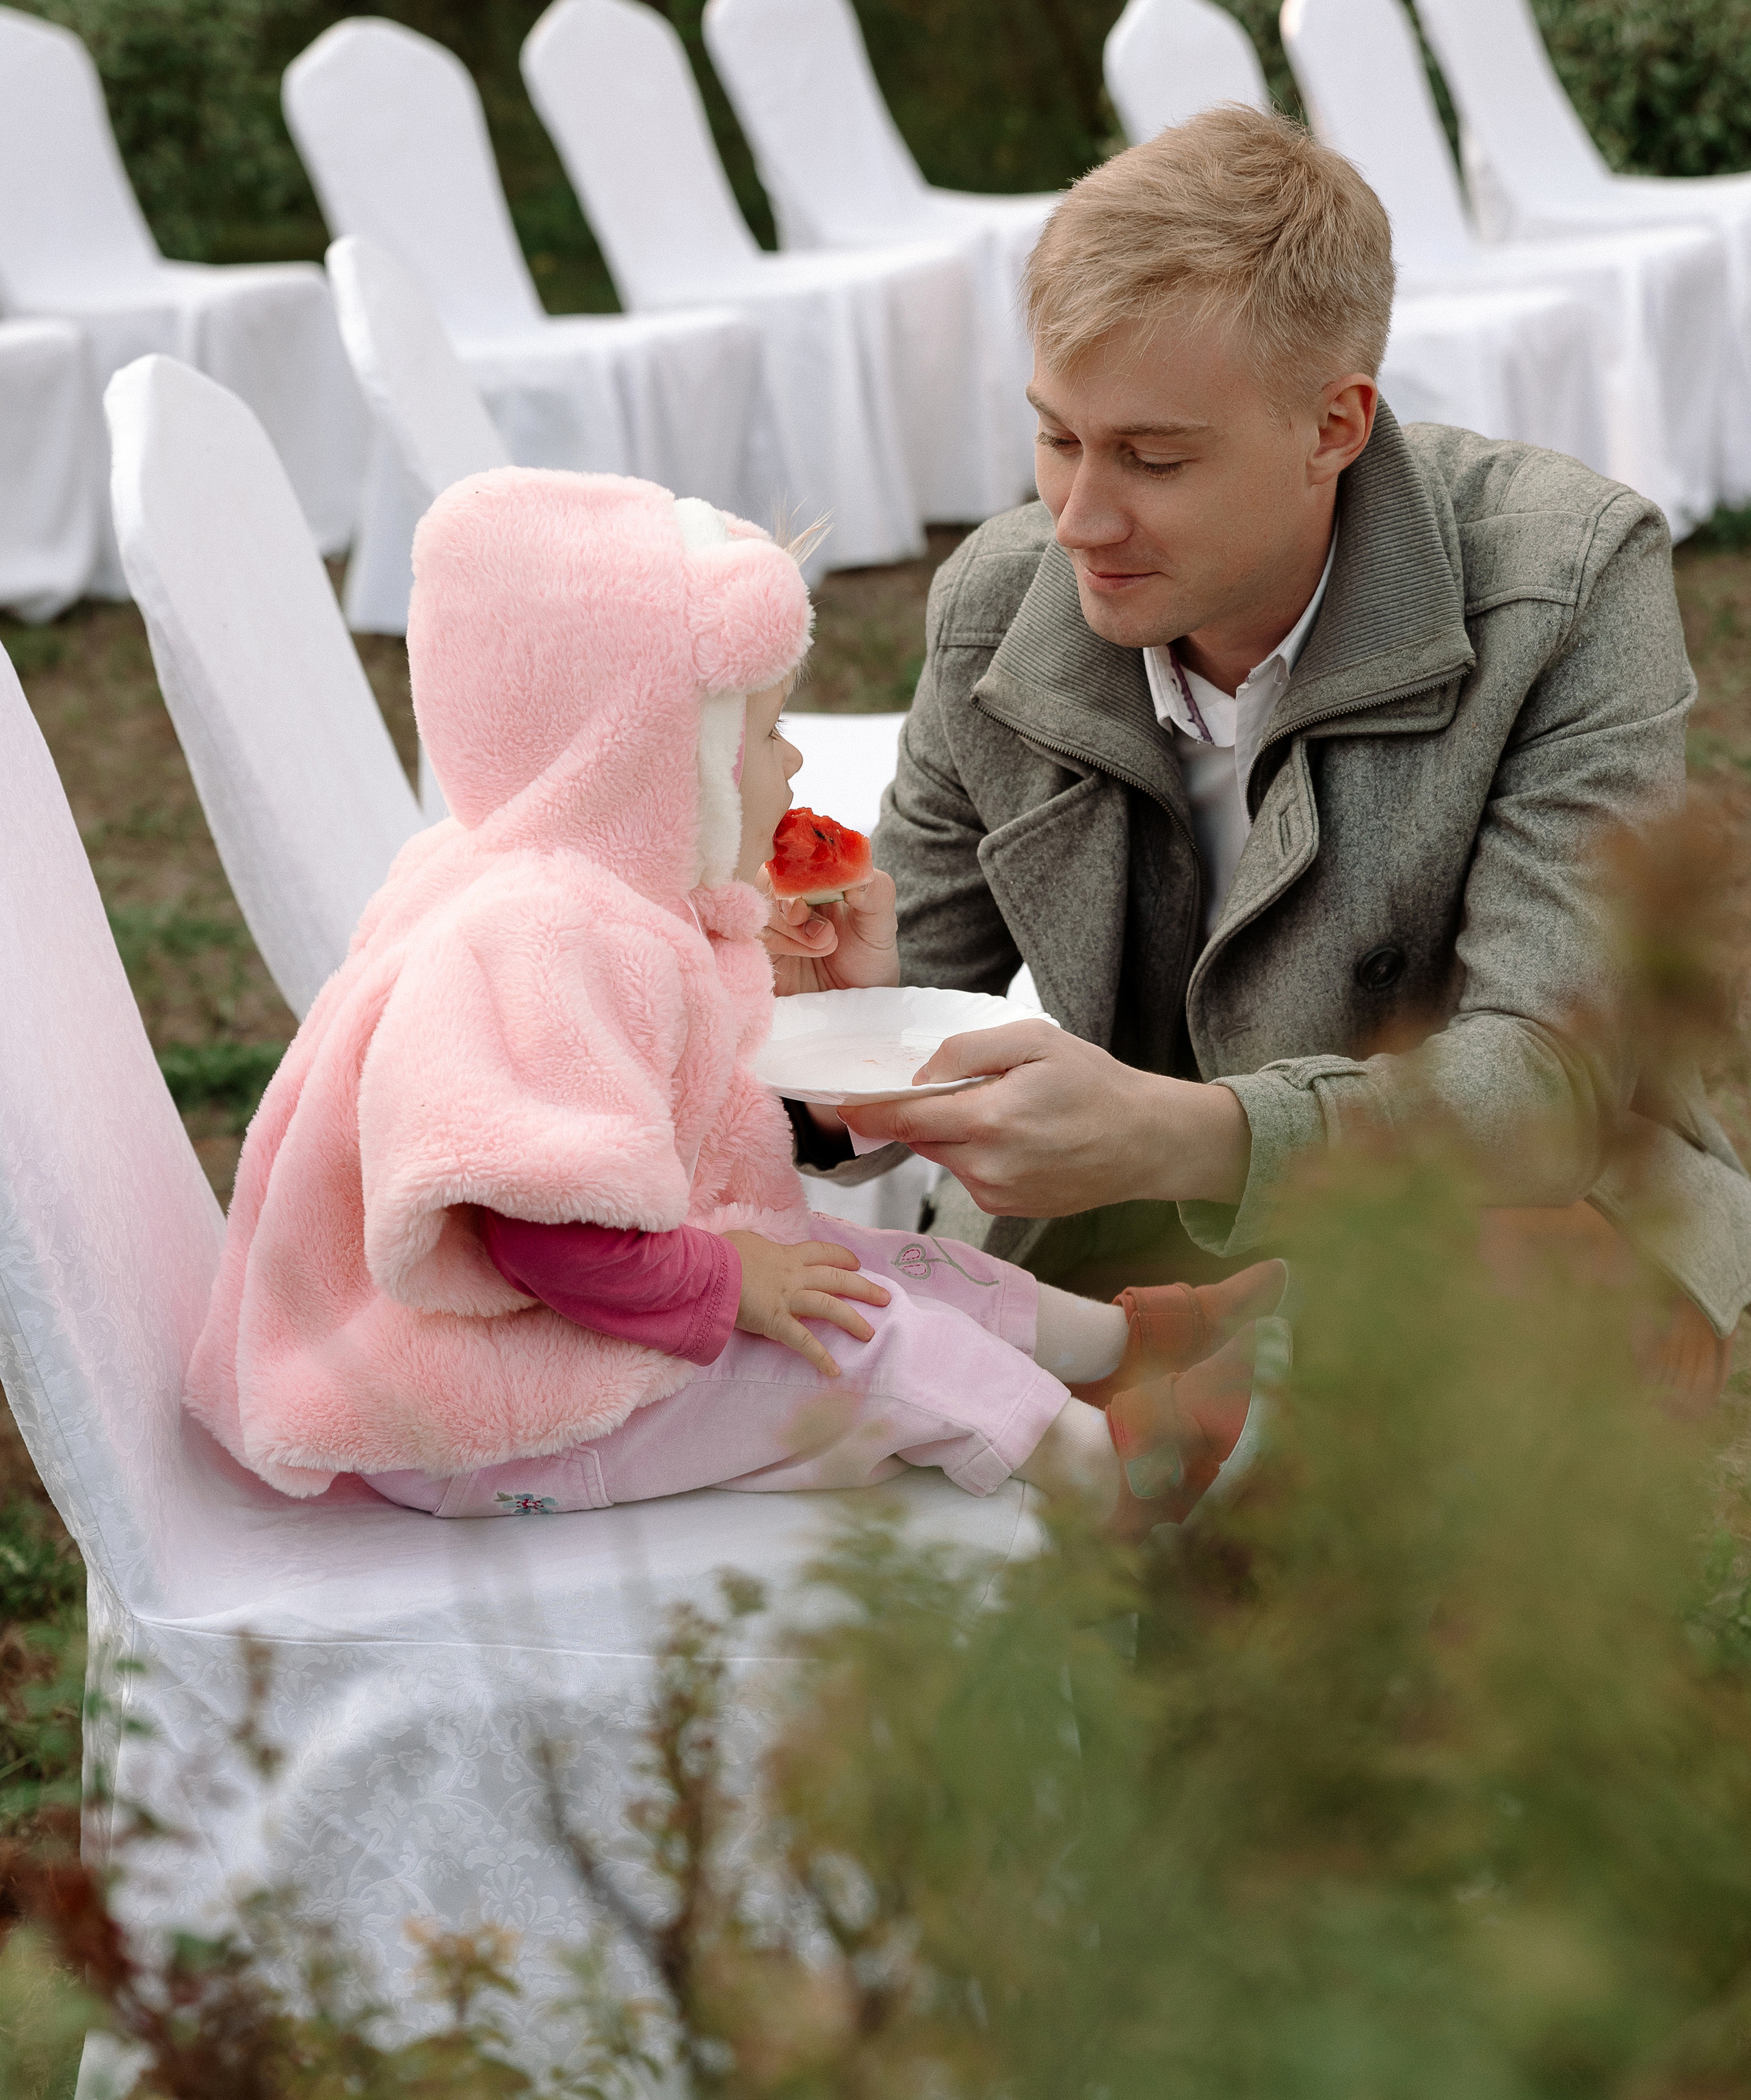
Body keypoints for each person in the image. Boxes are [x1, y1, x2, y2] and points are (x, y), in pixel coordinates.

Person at [776, 106, 1750, 1403]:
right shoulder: (998, 606)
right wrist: (836, 1045)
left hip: (1511, 1214)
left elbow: (1551, 1086)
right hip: (1135, 1228)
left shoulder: (1563, 581)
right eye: (1058, 436)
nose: (1077, 519)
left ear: (1336, 427)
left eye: (1154, 457)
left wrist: (1176, 1136)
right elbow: (862, 1088)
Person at [183, 469, 1289, 1537]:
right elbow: (538, 1229)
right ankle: (1109, 1475)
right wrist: (730, 1277)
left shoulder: (596, 895)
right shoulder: (540, 938)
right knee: (868, 1343)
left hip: (591, 1309)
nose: (793, 754)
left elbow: (697, 1126)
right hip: (490, 1413)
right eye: (760, 734)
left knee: (881, 1268)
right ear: (655, 755)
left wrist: (843, 1023)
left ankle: (1128, 1342)